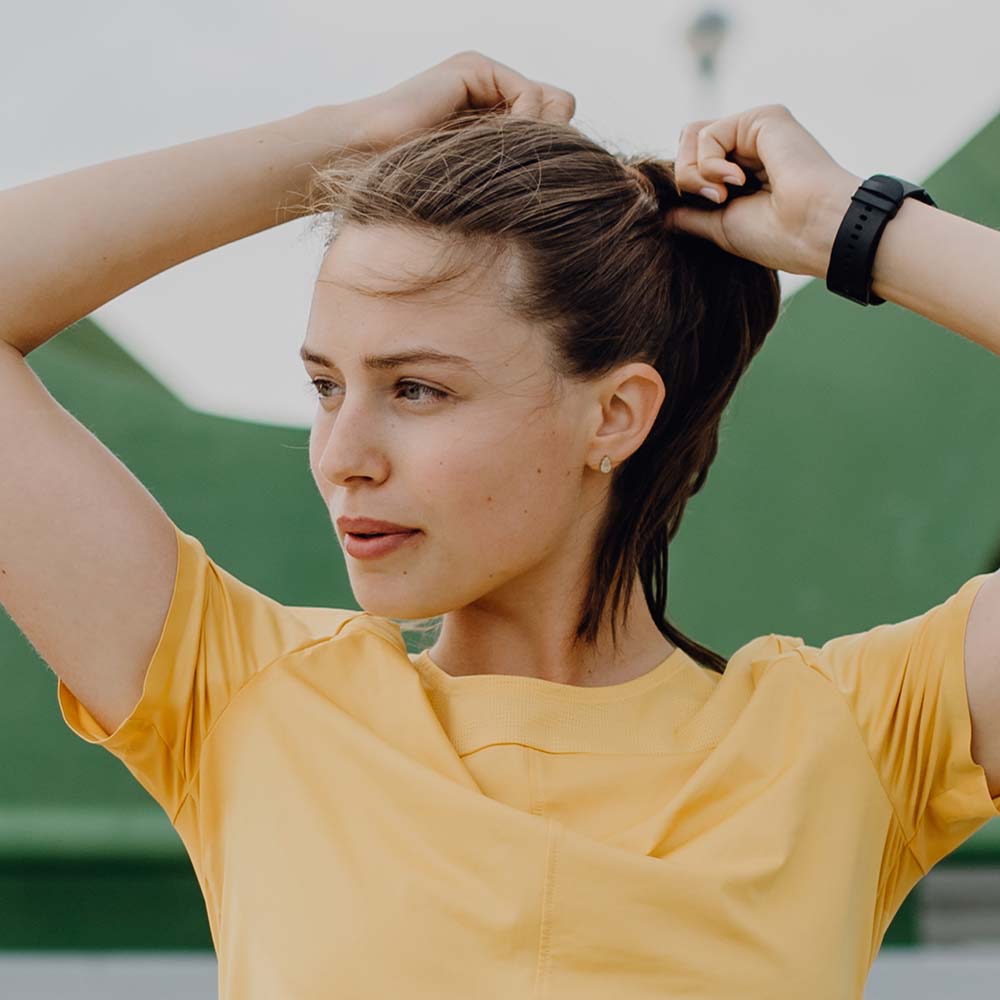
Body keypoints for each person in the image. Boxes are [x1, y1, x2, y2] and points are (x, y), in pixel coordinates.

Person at [2, 49, 999, 999]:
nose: (343, 453)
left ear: (613, 415)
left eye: (418, 388)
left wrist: (849, 225)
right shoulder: (247, 704)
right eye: (325, 386)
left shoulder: (855, 735)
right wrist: (340, 140)